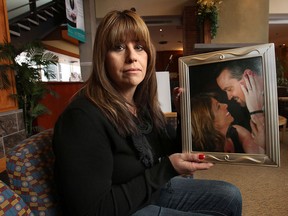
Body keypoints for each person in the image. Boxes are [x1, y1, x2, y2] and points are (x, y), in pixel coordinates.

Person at [52, 10, 242, 216]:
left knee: (231, 195)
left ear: (148, 55)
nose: (132, 56)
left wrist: (185, 114)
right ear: (102, 57)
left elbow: (169, 149)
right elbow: (93, 210)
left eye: (139, 47)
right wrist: (168, 169)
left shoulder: (139, 106)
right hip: (118, 209)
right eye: (119, 47)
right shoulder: (82, 118)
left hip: (148, 192)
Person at [191, 93, 265, 154]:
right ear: (208, 122)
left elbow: (257, 157)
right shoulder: (202, 154)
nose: (225, 105)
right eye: (218, 107)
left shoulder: (237, 132)